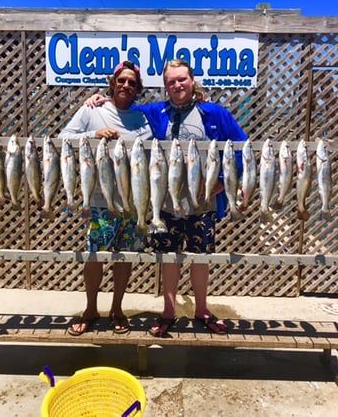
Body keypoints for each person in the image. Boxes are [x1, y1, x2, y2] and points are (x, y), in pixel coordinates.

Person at [88, 58, 248, 337]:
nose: (177, 85)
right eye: (171, 81)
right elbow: (125, 106)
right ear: (165, 87)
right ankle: (169, 312)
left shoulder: (215, 113)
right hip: (164, 203)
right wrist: (101, 99)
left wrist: (222, 182)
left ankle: (202, 310)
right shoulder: (155, 112)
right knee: (169, 259)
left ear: (192, 80)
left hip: (202, 203)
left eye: (182, 79)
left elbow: (242, 149)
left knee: (201, 258)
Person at [59, 60, 153, 335]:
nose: (126, 85)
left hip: (132, 201)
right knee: (94, 256)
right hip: (100, 200)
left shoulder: (142, 117)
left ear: (138, 89)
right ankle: (90, 308)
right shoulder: (92, 109)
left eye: (132, 83)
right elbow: (63, 137)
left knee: (123, 257)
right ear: (112, 83)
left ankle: (117, 308)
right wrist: (93, 134)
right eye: (121, 81)